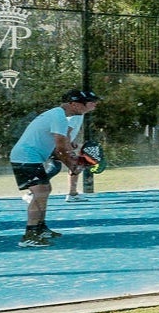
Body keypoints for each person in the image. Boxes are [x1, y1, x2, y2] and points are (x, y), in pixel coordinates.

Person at [8, 88, 97, 247]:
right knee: (40, 192)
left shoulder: (58, 115)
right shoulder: (59, 117)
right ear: (74, 104)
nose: (87, 106)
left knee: (44, 190)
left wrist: (72, 160)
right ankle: (29, 235)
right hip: (25, 156)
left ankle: (40, 228)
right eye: (84, 104)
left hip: (29, 156)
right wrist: (73, 166)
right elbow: (60, 148)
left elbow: (59, 149)